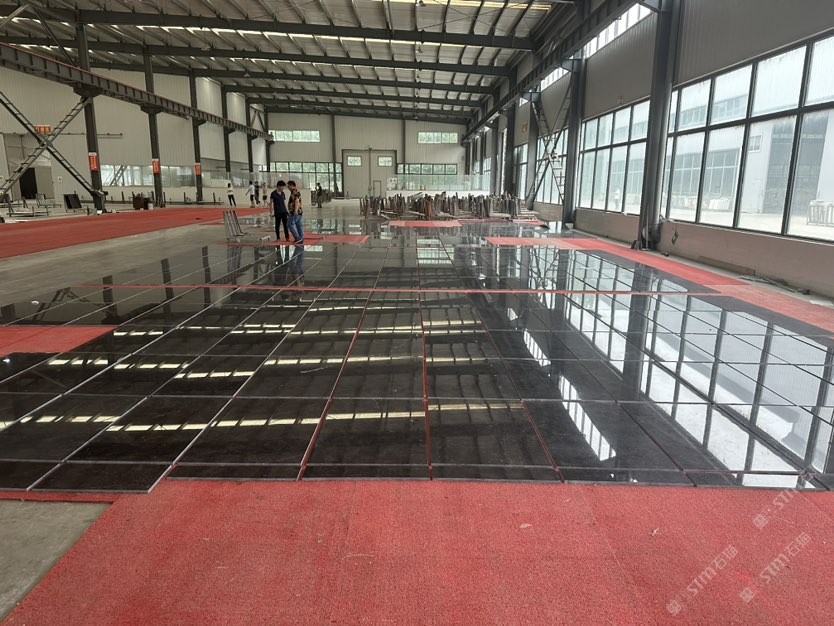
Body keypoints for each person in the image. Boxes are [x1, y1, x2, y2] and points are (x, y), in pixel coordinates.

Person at [287, 179, 304, 244]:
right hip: (299, 211)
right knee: (299, 225)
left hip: (295, 211)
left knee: (290, 224)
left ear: (291, 185)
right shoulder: (297, 191)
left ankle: (297, 238)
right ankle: (301, 238)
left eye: (288, 186)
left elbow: (296, 200)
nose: (288, 188)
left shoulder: (294, 191)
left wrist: (295, 210)